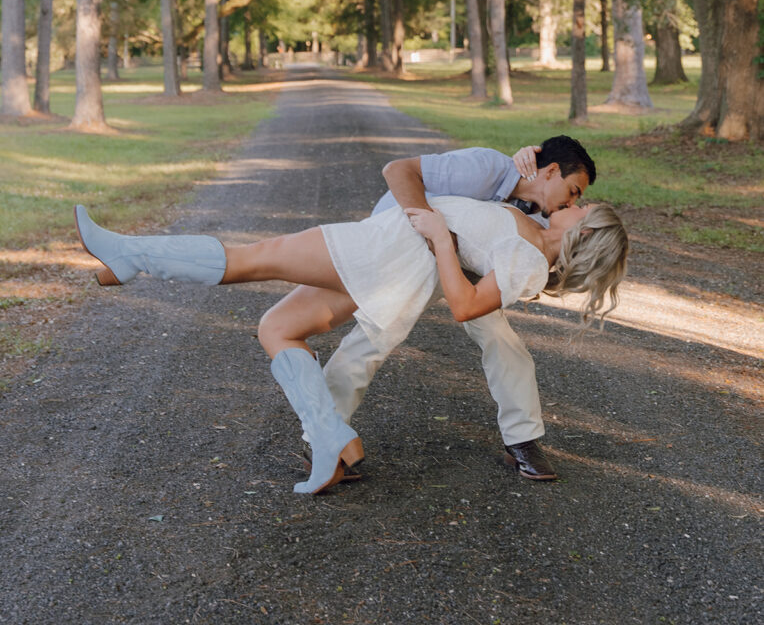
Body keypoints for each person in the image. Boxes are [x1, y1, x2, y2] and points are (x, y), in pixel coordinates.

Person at [74, 190, 627, 497]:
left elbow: (464, 305)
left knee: (255, 257)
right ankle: (331, 445)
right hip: (391, 254)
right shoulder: (530, 229)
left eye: (584, 206)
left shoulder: (531, 262)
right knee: (277, 328)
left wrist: (438, 237)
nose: (577, 201)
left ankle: (132, 255)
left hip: (388, 252)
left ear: (583, 230)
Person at [320, 136, 595, 483]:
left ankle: (522, 440)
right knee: (377, 334)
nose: (571, 201)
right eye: (573, 191)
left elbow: (560, 252)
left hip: (457, 265)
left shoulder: (539, 212)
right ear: (552, 171)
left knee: (504, 343)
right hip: (407, 246)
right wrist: (433, 231)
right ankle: (321, 438)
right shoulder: (487, 166)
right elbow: (397, 169)